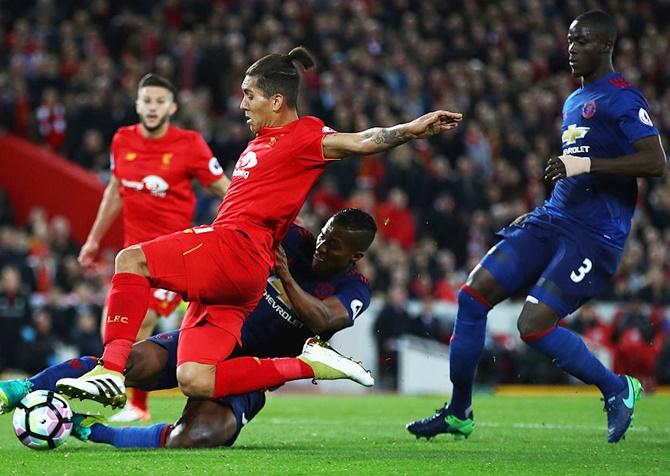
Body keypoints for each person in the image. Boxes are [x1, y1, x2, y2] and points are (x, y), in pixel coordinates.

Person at [55, 46, 462, 409]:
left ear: (277, 100)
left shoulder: (305, 136)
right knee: (196, 379)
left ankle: (108, 371)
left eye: (249, 95)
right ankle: (305, 365)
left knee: (131, 260)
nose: (243, 104)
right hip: (246, 279)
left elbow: (364, 140)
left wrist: (411, 129)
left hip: (234, 247)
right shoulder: (259, 142)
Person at [406, 9, 666, 444]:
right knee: (471, 297)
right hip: (552, 221)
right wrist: (546, 205)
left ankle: (618, 388)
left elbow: (655, 162)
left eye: (581, 41)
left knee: (534, 325)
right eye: (569, 40)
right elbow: (573, 171)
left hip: (594, 236)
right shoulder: (571, 101)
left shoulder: (624, 97)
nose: (571, 48)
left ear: (605, 45)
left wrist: (583, 164)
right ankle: (459, 411)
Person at [1, 209, 377, 448]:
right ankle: (21, 388)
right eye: (326, 234)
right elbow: (232, 241)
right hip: (210, 336)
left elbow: (323, 320)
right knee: (130, 362)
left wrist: (284, 277)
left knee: (195, 437)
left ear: (355, 256)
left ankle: (92, 430)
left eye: (336, 245)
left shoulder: (355, 288)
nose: (323, 246)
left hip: (250, 373)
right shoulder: (293, 239)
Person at [79, 73, 229, 422]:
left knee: (141, 320)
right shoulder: (122, 140)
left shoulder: (190, 144)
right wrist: (93, 239)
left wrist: (236, 229)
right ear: (137, 104)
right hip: (133, 255)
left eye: (160, 101)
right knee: (112, 331)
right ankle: (136, 398)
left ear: (172, 107)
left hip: (174, 255)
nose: (152, 107)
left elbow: (224, 188)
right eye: (146, 100)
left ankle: (138, 405)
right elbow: (115, 191)